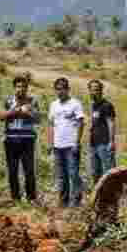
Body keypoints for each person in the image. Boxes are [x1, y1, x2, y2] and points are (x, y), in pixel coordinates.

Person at [47, 77, 85, 207]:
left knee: (73, 173)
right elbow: (51, 125)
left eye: (62, 88)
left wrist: (77, 142)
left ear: (68, 89)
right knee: (61, 175)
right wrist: (50, 143)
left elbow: (81, 123)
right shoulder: (53, 105)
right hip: (58, 146)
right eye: (57, 89)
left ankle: (76, 201)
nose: (60, 91)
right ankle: (63, 201)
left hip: (71, 145)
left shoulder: (75, 103)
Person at [1, 75, 39, 203]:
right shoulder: (8, 100)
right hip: (11, 139)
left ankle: (31, 198)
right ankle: (15, 198)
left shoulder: (32, 101)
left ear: (27, 88)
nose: (21, 89)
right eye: (18, 86)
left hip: (27, 139)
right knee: (12, 170)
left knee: (29, 170)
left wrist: (27, 113)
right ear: (14, 87)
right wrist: (16, 110)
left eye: (23, 87)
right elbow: (1, 116)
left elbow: (37, 118)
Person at [87, 78, 116, 185]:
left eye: (97, 89)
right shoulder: (93, 105)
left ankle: (111, 196)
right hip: (93, 144)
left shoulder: (107, 105)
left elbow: (111, 123)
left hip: (104, 143)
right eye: (92, 89)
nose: (94, 92)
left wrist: (111, 142)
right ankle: (97, 196)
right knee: (95, 172)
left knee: (109, 172)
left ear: (101, 90)